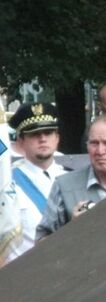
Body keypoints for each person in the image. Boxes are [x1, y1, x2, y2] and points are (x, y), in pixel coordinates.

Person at [37, 115, 106, 238]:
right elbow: (41, 244)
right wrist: (71, 230)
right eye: (94, 143)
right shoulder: (64, 186)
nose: (100, 151)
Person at [6, 103, 67, 260]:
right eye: (35, 134)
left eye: (48, 133)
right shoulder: (7, 183)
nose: (42, 139)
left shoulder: (71, 178)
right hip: (26, 274)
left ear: (57, 138)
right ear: (21, 141)